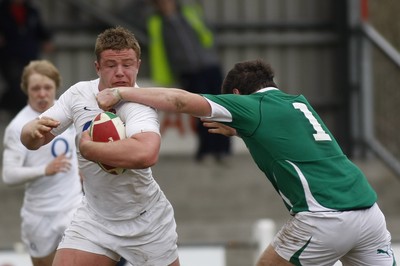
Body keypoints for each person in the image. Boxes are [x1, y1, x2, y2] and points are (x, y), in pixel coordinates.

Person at [96, 59, 397, 266]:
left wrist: (123, 92)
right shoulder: (297, 102)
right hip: (369, 214)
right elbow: (288, 143)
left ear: (237, 95)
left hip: (325, 218)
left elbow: (180, 100)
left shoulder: (252, 105)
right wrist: (240, 129)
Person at [20, 26, 180, 266]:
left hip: (145, 220)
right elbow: (35, 136)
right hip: (95, 217)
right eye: (111, 65)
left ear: (138, 64)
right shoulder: (78, 94)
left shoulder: (141, 105)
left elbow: (146, 154)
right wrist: (30, 132)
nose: (120, 73)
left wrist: (89, 149)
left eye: (127, 64)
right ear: (97, 67)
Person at [120, 0, 231, 162]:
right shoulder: (154, 21)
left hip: (210, 65)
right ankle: (206, 150)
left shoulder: (189, 13)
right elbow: (127, 18)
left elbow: (207, 32)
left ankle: (222, 150)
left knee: (221, 108)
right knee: (201, 111)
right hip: (189, 71)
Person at [2, 60, 83, 266]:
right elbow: (8, 175)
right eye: (35, 88)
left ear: (56, 87)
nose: (42, 93)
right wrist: (44, 170)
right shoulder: (18, 127)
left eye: (47, 87)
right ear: (25, 90)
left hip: (73, 207)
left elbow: (78, 147)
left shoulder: (67, 114)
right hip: (40, 215)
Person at [0, 0, 54, 116]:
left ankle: (16, 109)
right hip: (10, 55)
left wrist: (46, 40)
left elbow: (41, 30)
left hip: (29, 55)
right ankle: (14, 109)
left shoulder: (31, 11)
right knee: (16, 83)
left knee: (28, 82)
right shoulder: (3, 11)